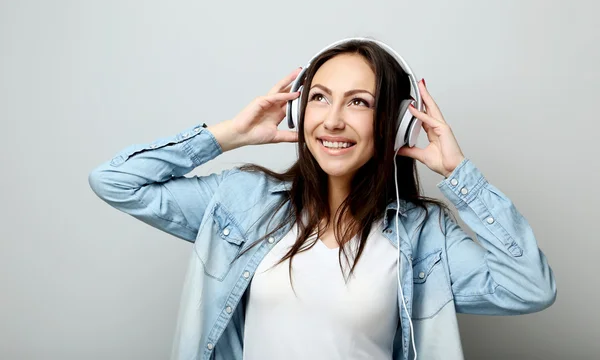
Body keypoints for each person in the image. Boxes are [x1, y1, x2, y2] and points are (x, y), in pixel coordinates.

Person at [88, 38, 557, 360]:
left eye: (359, 102)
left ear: (396, 125)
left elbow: (530, 288)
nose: (332, 120)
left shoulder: (424, 238)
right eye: (319, 98)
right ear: (298, 108)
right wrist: (230, 134)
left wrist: (460, 175)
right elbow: (115, 181)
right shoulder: (241, 201)